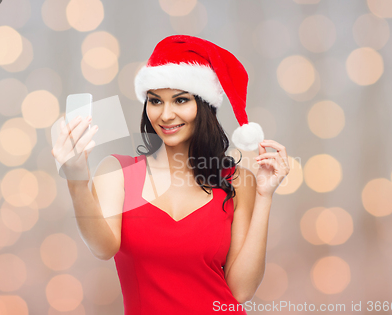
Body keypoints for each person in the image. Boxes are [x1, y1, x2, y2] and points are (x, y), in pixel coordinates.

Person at [52, 35, 290, 314]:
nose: (165, 115)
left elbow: (240, 290)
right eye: (155, 101)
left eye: (180, 100)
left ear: (204, 105)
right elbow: (103, 248)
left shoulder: (238, 180)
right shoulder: (118, 172)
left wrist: (264, 196)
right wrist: (77, 180)